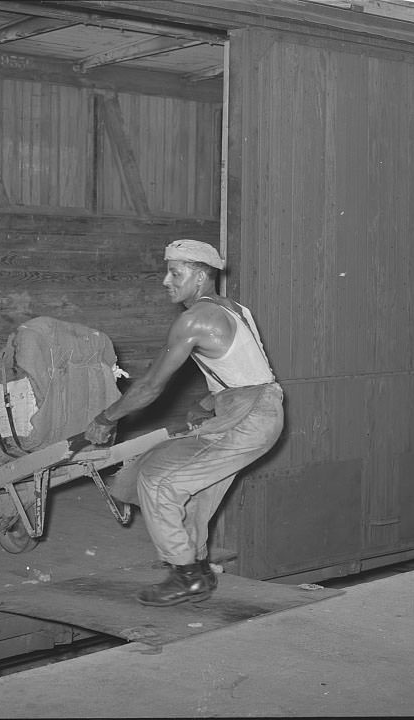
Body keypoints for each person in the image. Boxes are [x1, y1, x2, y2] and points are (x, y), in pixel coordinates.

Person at [84, 239, 284, 606]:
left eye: (175, 272)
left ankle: (186, 576)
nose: (165, 280)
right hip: (259, 408)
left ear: (201, 276)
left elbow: (149, 386)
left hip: (249, 415)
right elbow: (251, 371)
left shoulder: (194, 320)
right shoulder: (236, 309)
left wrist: (105, 418)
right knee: (198, 487)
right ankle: (199, 566)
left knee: (158, 482)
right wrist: (208, 402)